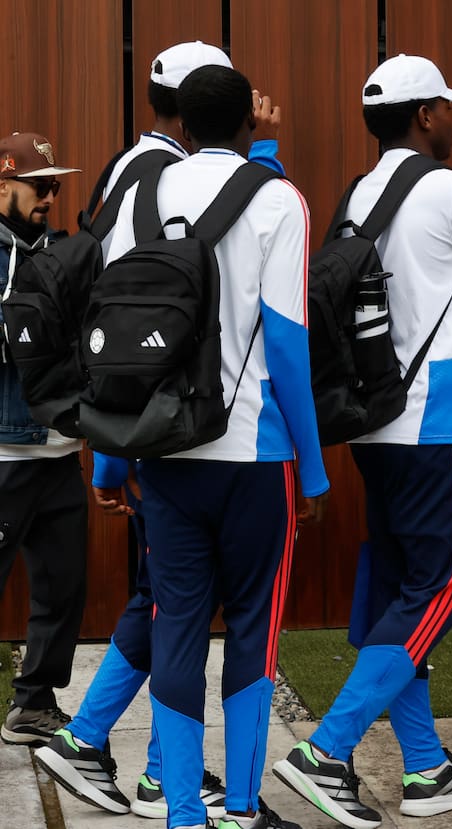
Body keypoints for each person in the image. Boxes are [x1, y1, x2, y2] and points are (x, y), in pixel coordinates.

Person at [271, 54, 452, 828]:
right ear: (425, 116)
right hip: (437, 418)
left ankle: (425, 770)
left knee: (404, 588)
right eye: (447, 109)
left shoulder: (360, 196)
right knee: (443, 579)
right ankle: (327, 750)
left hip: (373, 422)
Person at [32, 40, 289, 821]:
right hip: (218, 434)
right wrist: (264, 146)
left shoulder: (127, 174)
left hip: (149, 433)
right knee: (179, 605)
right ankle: (125, 758)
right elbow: (263, 276)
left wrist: (112, 451)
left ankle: (127, 759)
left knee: (167, 601)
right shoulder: (173, 174)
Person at [95, 64, 329, 829]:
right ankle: (239, 806)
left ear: (182, 128)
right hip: (257, 455)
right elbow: (289, 346)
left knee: (177, 621)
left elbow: (117, 337)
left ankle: (182, 813)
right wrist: (316, 469)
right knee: (254, 630)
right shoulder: (279, 200)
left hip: (163, 450)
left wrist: (109, 457)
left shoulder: (144, 195)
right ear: (251, 125)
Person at [0, 132, 86, 747]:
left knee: (63, 587)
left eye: (56, 186)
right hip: (5, 451)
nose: (51, 198)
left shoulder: (62, 250)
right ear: (3, 185)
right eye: (40, 186)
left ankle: (33, 704)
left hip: (60, 449)